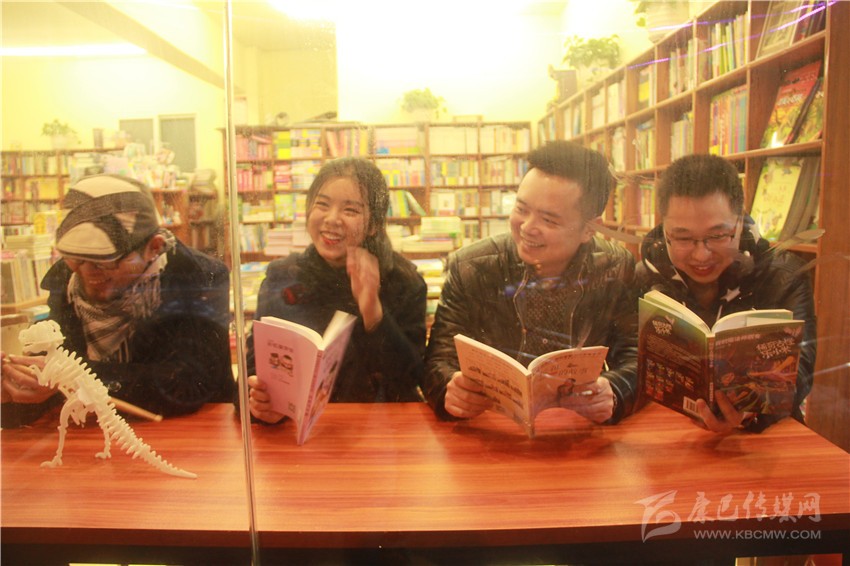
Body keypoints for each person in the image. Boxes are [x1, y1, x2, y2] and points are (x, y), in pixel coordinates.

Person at [423, 140, 639, 425]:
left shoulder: (615, 268)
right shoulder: (471, 266)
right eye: (521, 209)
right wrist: (450, 389)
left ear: (589, 229)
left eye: (549, 220)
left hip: (577, 427)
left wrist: (614, 391)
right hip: (492, 428)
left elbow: (637, 357)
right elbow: (437, 360)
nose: (527, 227)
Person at [1, 174, 234, 428]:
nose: (87, 272)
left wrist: (71, 377)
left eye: (105, 260)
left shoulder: (199, 277)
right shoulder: (66, 278)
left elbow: (188, 382)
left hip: (190, 431)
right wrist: (15, 390)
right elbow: (53, 375)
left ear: (154, 247)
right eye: (76, 257)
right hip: (90, 433)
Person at [635, 154, 816, 433]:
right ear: (664, 230)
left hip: (763, 439)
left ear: (740, 223)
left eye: (718, 236)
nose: (701, 255)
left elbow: (799, 374)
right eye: (683, 238)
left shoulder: (783, 278)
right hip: (668, 434)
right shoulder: (643, 279)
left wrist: (748, 411)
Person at [245, 157, 427, 424]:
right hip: (299, 434)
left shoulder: (404, 281)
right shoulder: (282, 276)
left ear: (373, 225)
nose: (332, 219)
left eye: (350, 210)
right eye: (322, 204)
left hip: (383, 434)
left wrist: (373, 313)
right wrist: (260, 407)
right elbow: (251, 371)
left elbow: (412, 379)